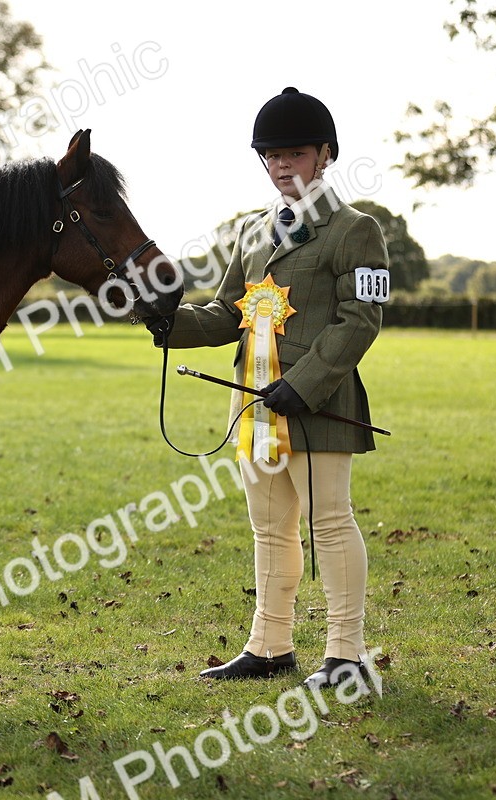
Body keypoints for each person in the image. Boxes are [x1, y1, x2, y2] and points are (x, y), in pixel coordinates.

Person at [158, 87, 389, 689]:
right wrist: (166, 321)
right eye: (271, 155)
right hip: (254, 405)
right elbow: (225, 314)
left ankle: (347, 656)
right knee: (269, 530)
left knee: (329, 522)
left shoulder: (355, 230)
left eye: (294, 153)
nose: (281, 165)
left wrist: (304, 385)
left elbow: (360, 320)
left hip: (318, 405)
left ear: (325, 154)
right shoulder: (252, 232)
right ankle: (269, 647)